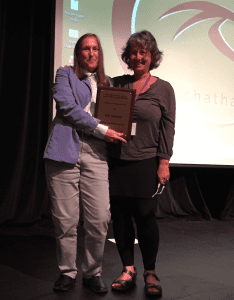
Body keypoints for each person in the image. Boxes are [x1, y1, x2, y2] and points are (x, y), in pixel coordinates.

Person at [44, 33, 127, 294]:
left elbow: (117, 118)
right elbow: (67, 108)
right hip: (64, 149)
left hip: (96, 154)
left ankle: (92, 272)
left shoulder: (108, 83)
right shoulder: (65, 74)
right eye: (86, 49)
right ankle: (67, 272)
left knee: (100, 217)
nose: (91, 53)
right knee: (66, 220)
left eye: (95, 49)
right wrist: (102, 129)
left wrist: (123, 130)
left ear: (100, 54)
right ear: (78, 53)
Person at [108, 30, 176, 297]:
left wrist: (164, 162)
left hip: (147, 161)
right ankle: (128, 269)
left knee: (146, 217)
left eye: (143, 53)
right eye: (134, 52)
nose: (138, 57)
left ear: (152, 57)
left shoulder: (163, 88)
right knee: (121, 218)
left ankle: (150, 271)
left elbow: (168, 129)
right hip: (117, 161)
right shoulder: (117, 84)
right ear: (128, 56)